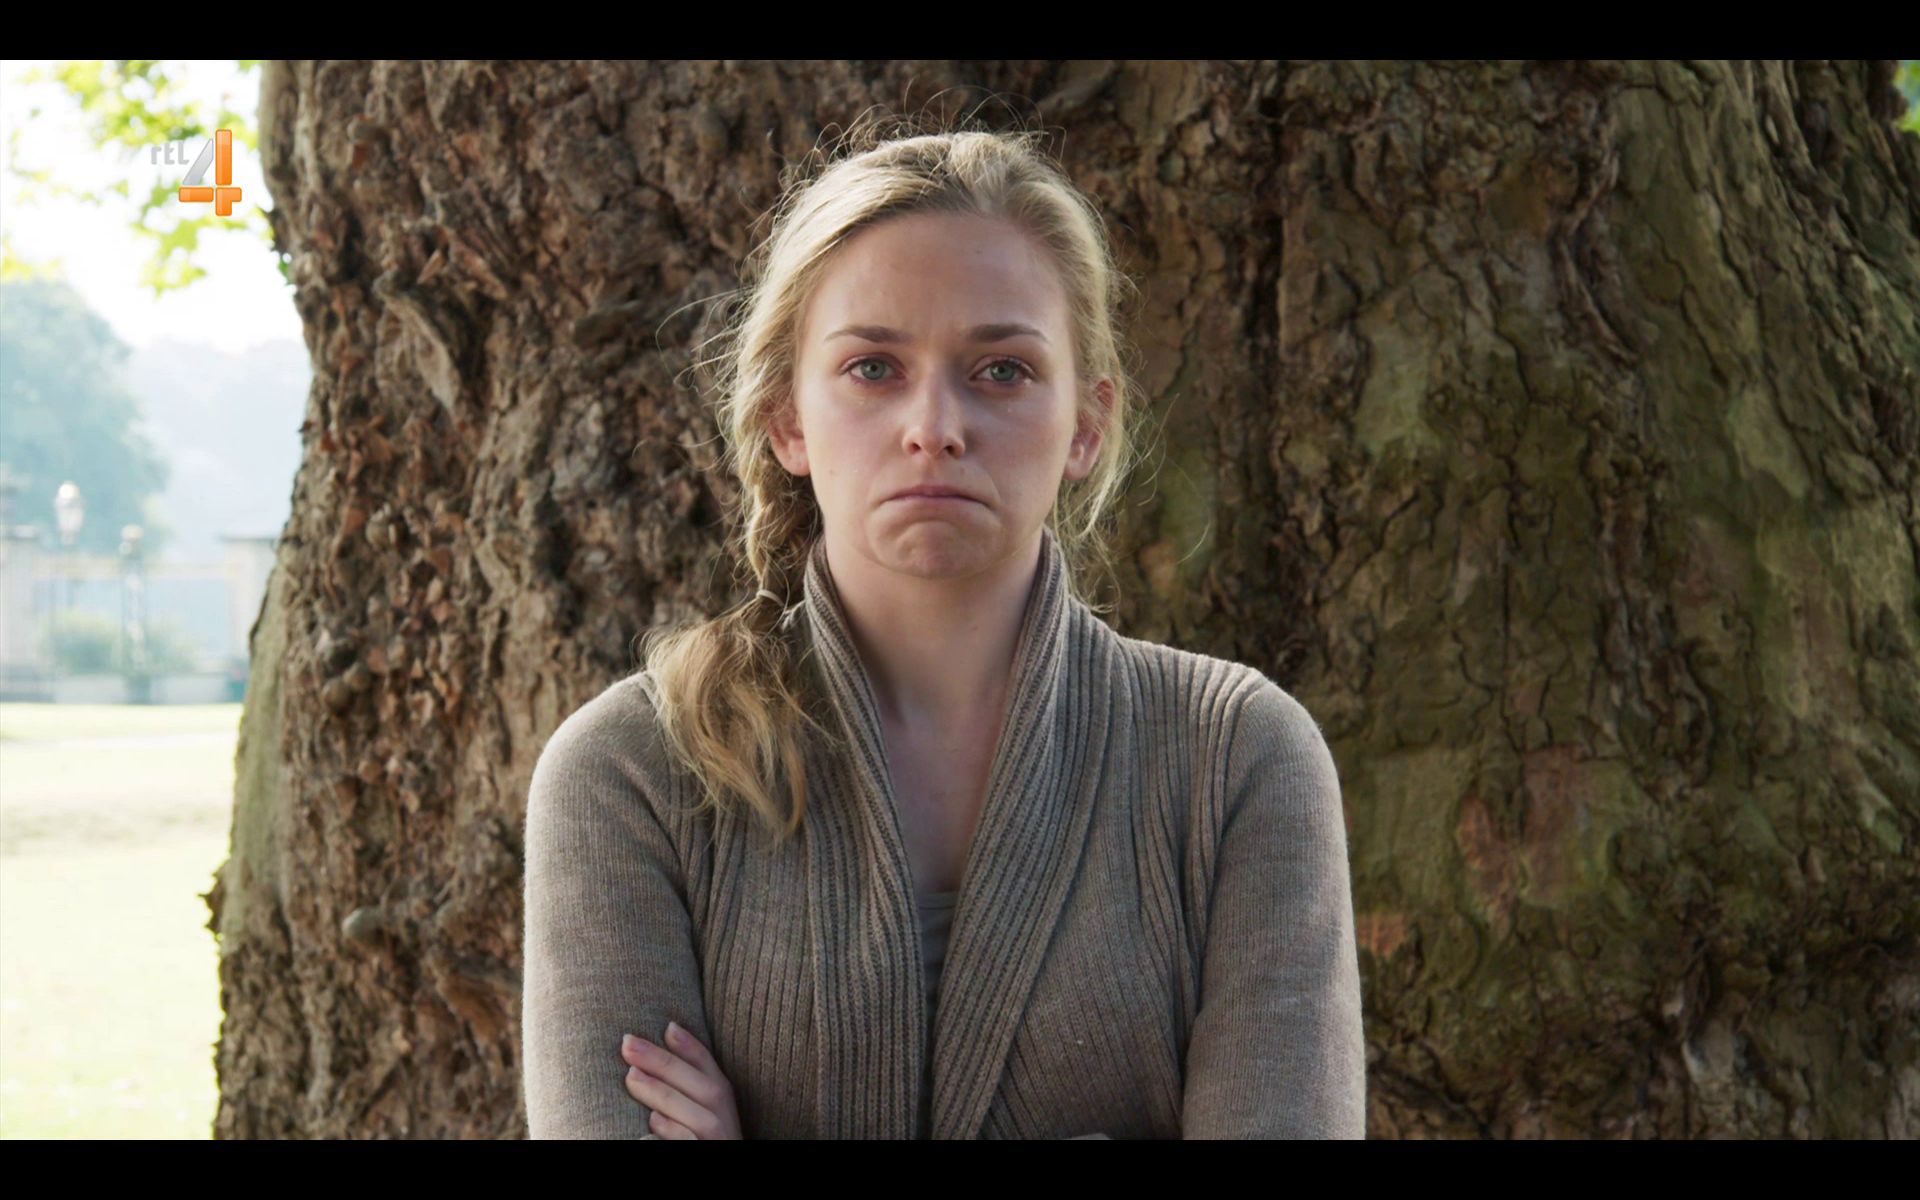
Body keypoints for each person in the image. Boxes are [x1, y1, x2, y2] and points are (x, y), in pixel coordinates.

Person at [521, 111, 1364, 1139]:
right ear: (788, 418)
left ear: (1087, 425)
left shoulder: (1236, 760)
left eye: (1001, 369)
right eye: (873, 368)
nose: (936, 428)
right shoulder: (634, 771)